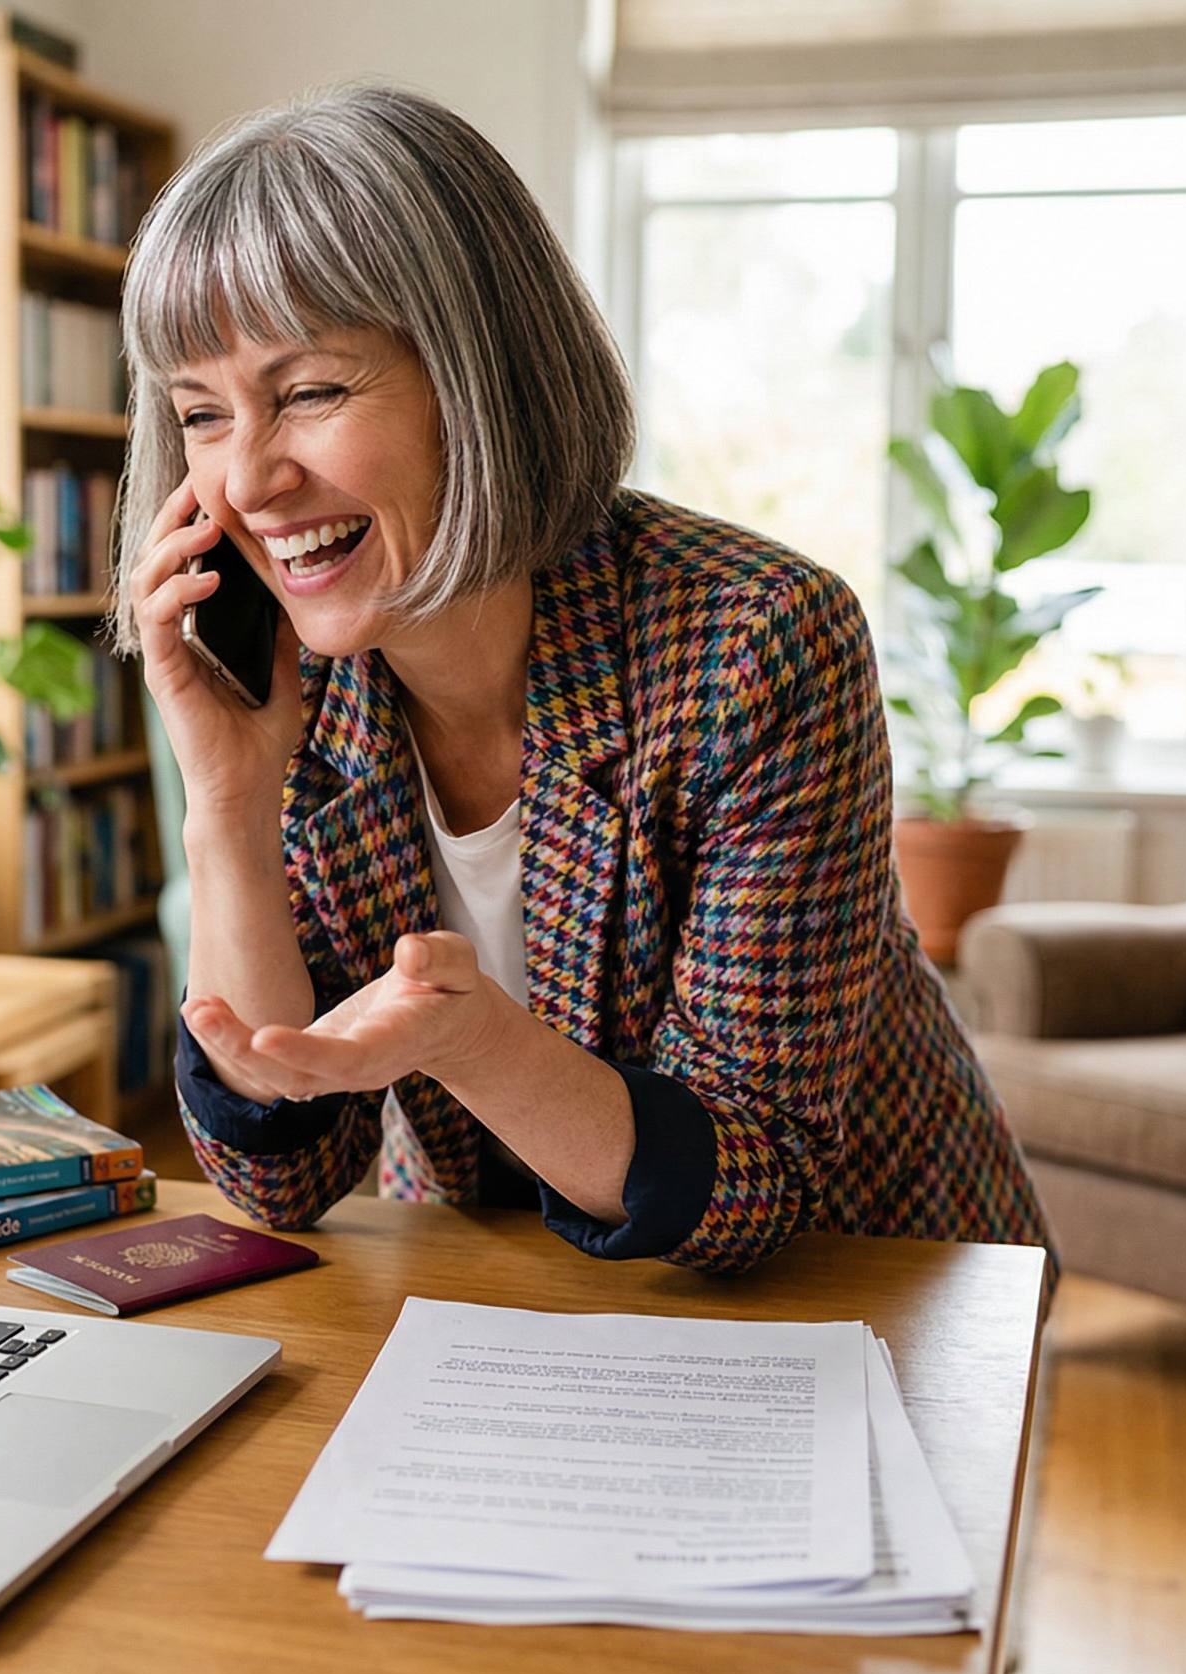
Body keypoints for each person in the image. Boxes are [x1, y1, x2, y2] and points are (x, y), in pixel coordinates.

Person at [114, 84, 1050, 1274]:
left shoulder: (756, 642)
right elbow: (277, 1176)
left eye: (307, 391)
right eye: (199, 413)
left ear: (479, 375)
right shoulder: (292, 695)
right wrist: (229, 811)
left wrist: (470, 1044)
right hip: (502, 1286)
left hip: (861, 1280)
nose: (244, 481)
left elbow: (749, 1174)